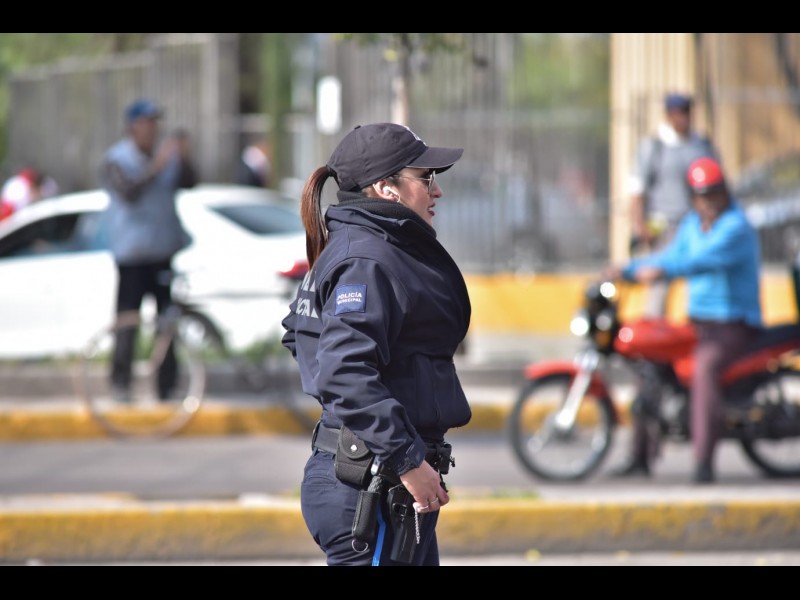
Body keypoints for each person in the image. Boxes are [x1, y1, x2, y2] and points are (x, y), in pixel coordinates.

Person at [281, 123, 472, 567]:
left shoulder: (366, 247)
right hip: (373, 485)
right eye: (425, 178)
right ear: (386, 188)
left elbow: (303, 336)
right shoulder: (366, 258)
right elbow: (343, 371)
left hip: (385, 479)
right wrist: (406, 458)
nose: (436, 190)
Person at [610, 156, 763, 484]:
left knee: (703, 369)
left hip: (732, 325)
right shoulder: (693, 225)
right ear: (693, 197)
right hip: (698, 324)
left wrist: (659, 271)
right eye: (702, 195)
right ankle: (639, 455)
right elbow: (671, 256)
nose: (709, 201)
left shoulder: (736, 226)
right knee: (650, 360)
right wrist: (626, 269)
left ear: (725, 192)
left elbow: (698, 261)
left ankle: (703, 461)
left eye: (714, 193)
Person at [99, 99, 199, 402]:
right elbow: (128, 191)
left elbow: (190, 183)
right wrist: (157, 166)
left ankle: (166, 386)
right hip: (132, 255)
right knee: (127, 321)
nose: (153, 129)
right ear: (133, 127)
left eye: (155, 123)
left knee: (167, 322)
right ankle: (120, 384)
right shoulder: (116, 159)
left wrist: (184, 158)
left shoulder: (167, 156)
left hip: (162, 252)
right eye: (147, 123)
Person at [629, 92, 721, 317]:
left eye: (686, 112)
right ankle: (655, 330)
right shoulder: (655, 146)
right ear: (669, 115)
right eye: (677, 113)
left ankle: (699, 327)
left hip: (699, 225)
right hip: (665, 226)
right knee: (659, 282)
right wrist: (639, 225)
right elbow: (637, 189)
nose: (682, 118)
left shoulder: (702, 145)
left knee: (700, 281)